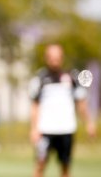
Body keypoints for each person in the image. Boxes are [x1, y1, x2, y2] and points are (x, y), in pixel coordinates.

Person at [29, 44, 96, 177]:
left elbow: (81, 102)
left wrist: (88, 122)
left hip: (66, 129)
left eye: (57, 57)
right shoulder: (40, 78)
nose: (55, 60)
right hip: (45, 130)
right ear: (46, 58)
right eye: (52, 57)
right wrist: (34, 128)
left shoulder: (72, 77)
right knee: (40, 164)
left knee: (65, 167)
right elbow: (35, 105)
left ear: (62, 58)